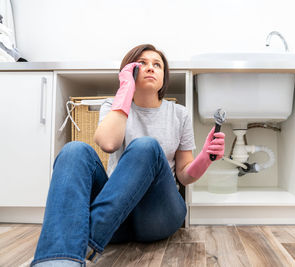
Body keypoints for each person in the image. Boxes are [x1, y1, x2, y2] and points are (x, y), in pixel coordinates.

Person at [30, 44, 225, 266]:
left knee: (147, 147)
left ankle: (85, 239)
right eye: (142, 63)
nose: (150, 68)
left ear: (164, 77)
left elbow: (184, 175)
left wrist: (205, 158)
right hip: (117, 218)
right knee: (74, 150)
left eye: (157, 65)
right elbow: (108, 143)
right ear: (128, 71)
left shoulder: (179, 114)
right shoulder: (113, 107)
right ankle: (58, 260)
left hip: (159, 215)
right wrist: (125, 90)